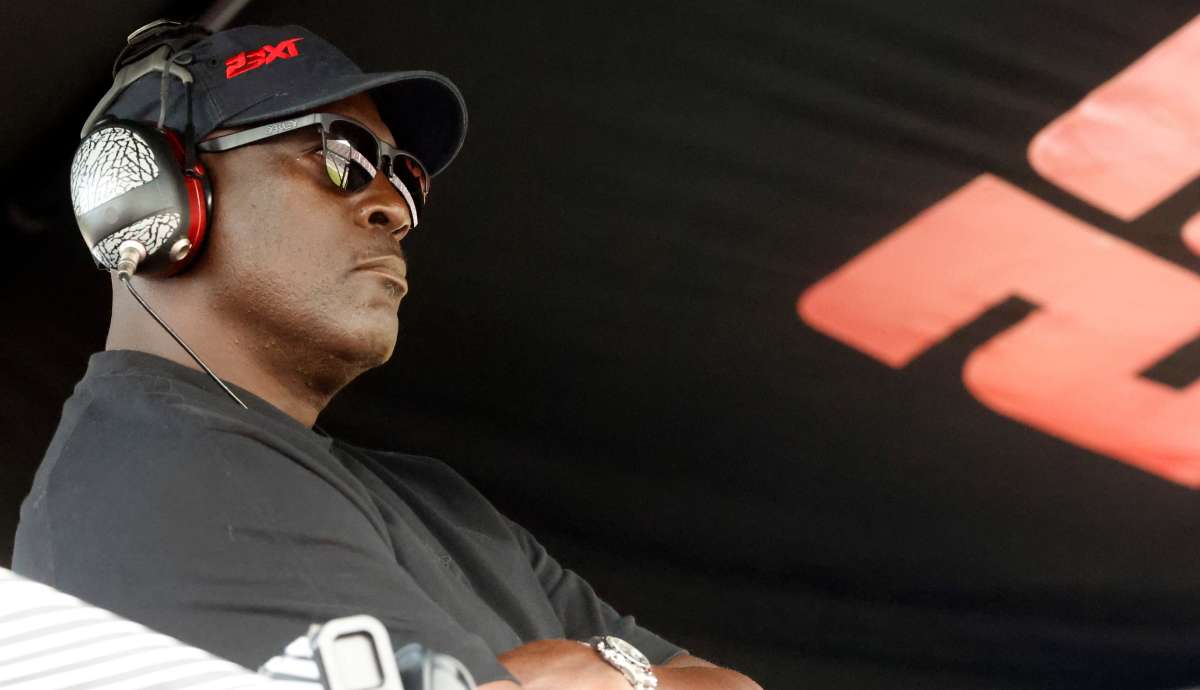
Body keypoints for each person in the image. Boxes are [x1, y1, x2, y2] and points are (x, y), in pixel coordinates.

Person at [12, 21, 760, 690]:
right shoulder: (151, 473)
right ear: (148, 197)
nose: (394, 208)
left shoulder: (441, 501)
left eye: (407, 178)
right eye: (341, 158)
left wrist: (607, 675)